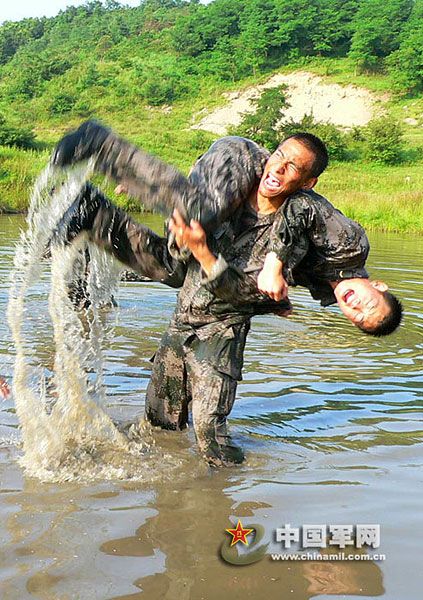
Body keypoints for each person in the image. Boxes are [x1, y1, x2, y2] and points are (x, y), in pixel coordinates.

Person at [50, 131, 403, 465]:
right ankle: (101, 146)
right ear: (381, 287)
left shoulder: (329, 284)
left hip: (213, 302)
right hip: (239, 161)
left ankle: (92, 214)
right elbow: (302, 210)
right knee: (196, 220)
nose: (356, 307)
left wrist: (274, 300)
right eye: (369, 304)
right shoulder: (349, 246)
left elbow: (271, 268)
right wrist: (275, 264)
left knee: (173, 268)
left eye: (357, 318)